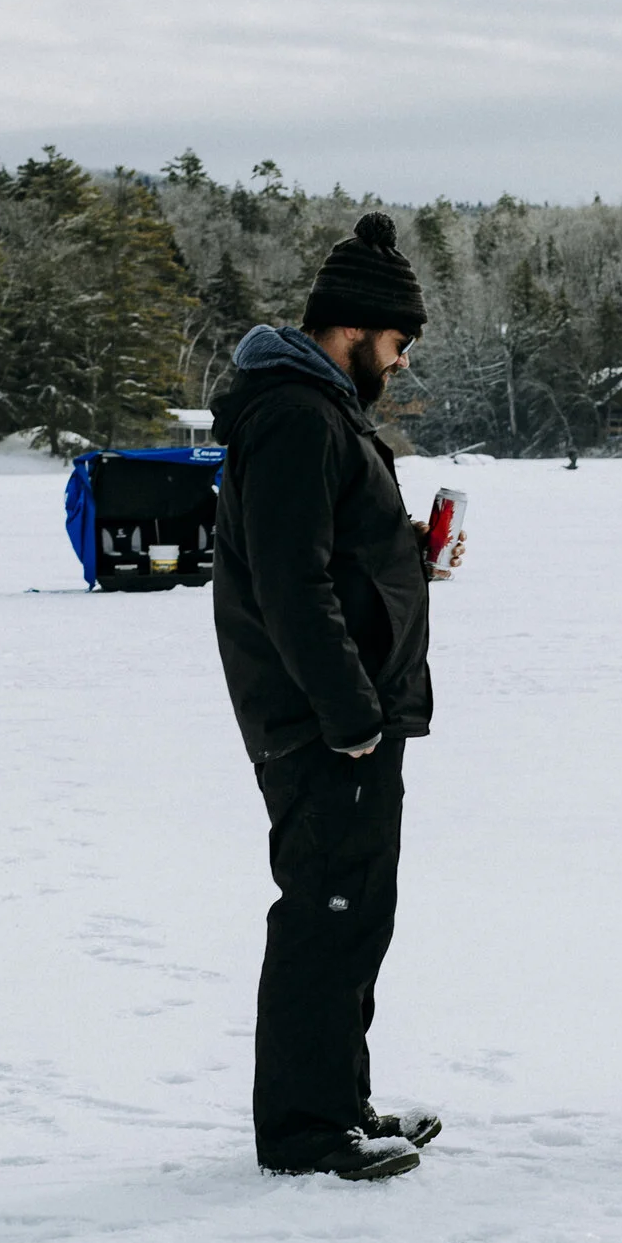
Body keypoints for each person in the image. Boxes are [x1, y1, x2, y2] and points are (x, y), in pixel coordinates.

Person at [210, 212, 444, 1181]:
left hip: (347, 713)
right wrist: (348, 713)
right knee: (326, 911)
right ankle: (306, 1127)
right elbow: (287, 580)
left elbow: (333, 561)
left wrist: (412, 561)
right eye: (394, 346)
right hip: (323, 721)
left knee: (356, 913)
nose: (396, 367)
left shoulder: (317, 410)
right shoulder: (299, 414)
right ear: (353, 331)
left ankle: (339, 1103)